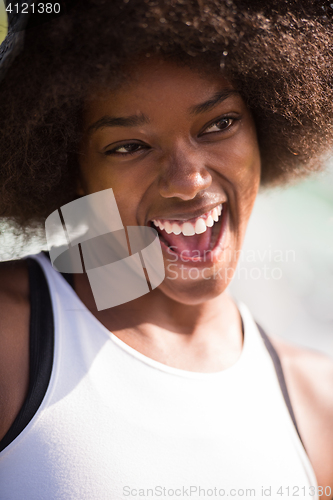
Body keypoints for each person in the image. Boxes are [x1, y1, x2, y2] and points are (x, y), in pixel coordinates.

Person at [0, 1, 332, 498]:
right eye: (130, 146)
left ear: (266, 125)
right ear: (73, 171)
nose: (187, 180)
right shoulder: (10, 338)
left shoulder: (318, 401)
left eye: (219, 124)